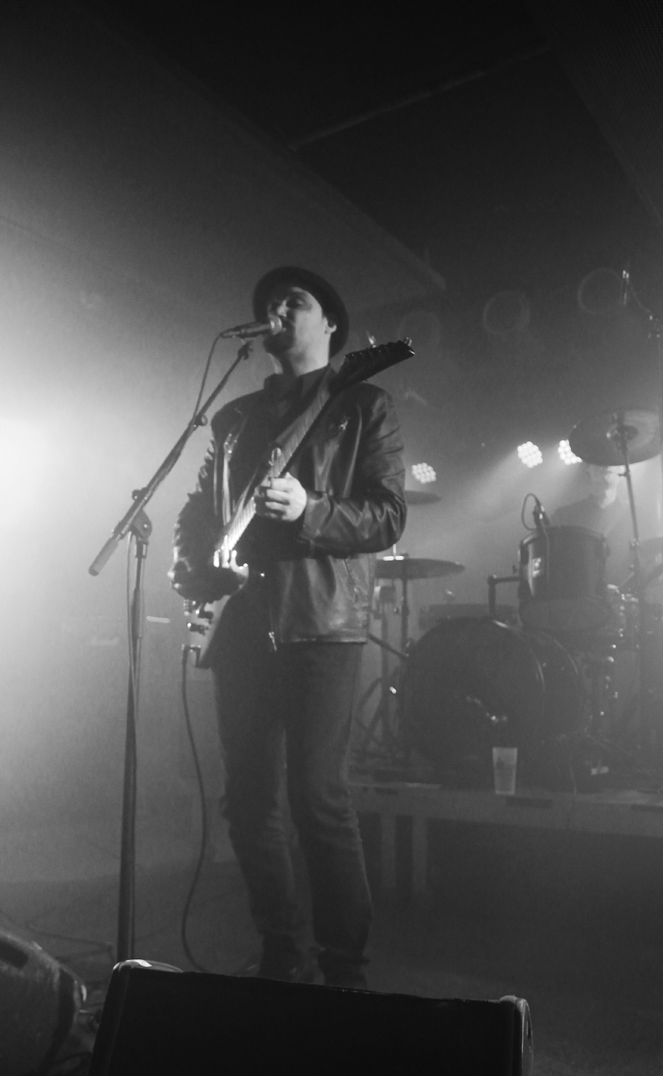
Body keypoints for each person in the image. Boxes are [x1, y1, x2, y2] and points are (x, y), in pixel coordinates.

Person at [170, 266, 406, 987]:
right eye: (269, 303)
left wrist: (311, 509)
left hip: (321, 624)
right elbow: (197, 512)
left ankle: (344, 965)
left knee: (317, 798)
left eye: (293, 301)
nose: (276, 309)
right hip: (241, 623)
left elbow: (387, 516)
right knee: (247, 800)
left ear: (330, 321)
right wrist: (191, 565)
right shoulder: (234, 418)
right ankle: (280, 946)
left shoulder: (364, 403)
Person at [551, 462, 633, 587]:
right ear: (588, 468)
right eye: (599, 459)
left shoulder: (638, 516)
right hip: (579, 595)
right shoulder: (564, 517)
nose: (605, 464)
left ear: (622, 469)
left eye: (611, 459)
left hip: (628, 595)